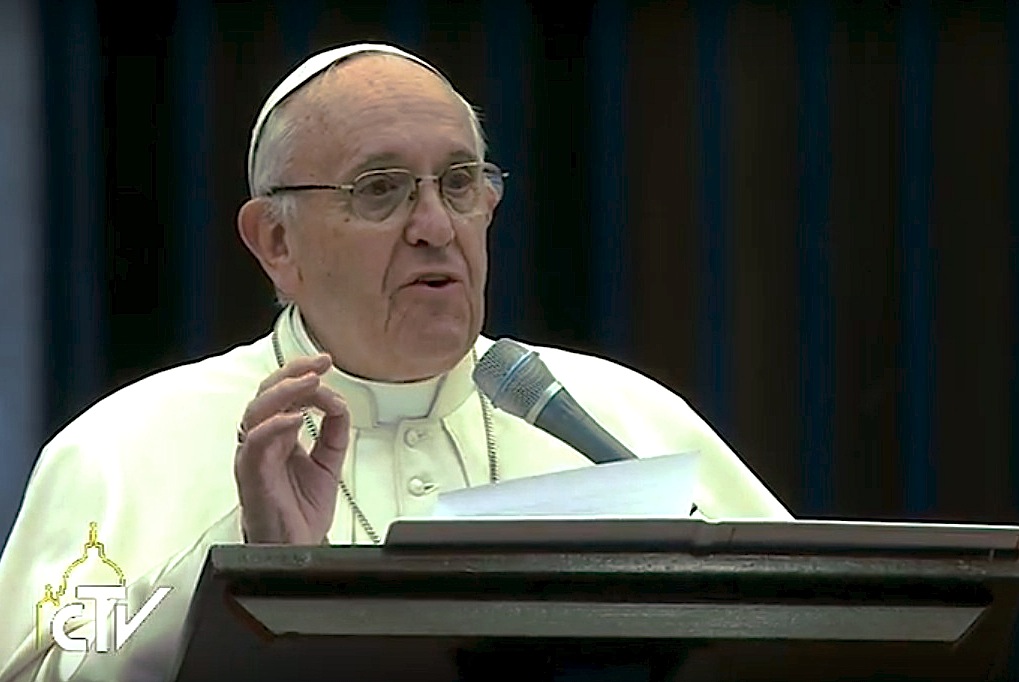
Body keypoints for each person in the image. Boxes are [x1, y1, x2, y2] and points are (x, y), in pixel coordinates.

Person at [0, 42, 791, 681]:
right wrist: (247, 564)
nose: (435, 226)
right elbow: (53, 666)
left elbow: (802, 630)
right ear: (276, 240)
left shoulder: (626, 417)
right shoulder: (122, 446)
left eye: (459, 183)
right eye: (380, 189)